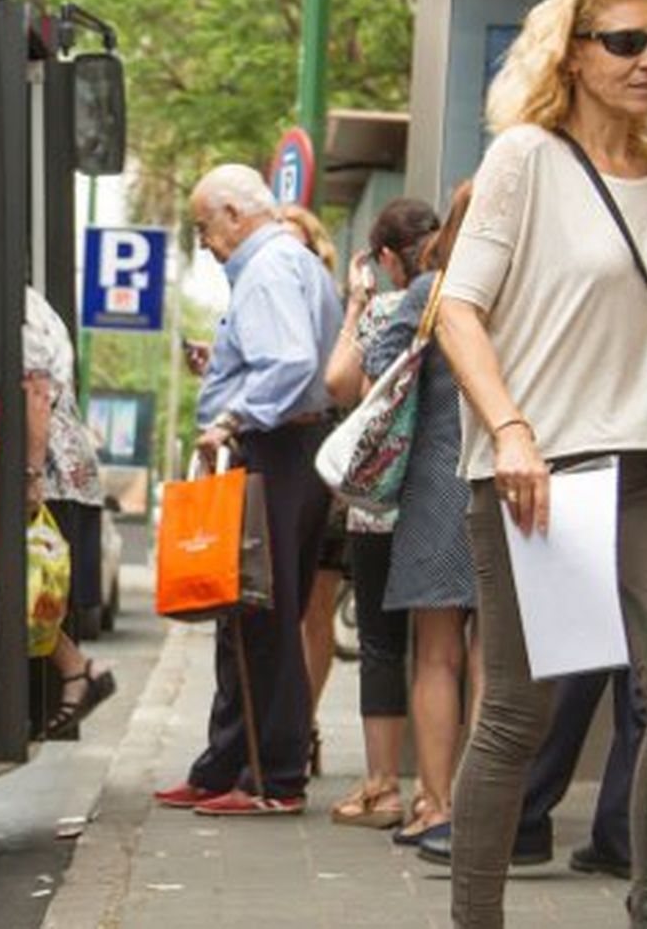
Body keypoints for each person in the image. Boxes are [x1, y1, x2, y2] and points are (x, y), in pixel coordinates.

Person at [436, 0, 647, 927]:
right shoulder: (525, 157)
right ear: (571, 54)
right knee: (519, 713)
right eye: (626, 42)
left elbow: (630, 299)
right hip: (537, 477)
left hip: (641, 467)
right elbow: (457, 311)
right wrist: (511, 430)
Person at [153, 164, 341, 815]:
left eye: (204, 226)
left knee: (264, 614)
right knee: (247, 613)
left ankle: (275, 777)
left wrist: (232, 416)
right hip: (294, 449)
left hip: (277, 450)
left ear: (234, 214)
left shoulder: (266, 268)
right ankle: (228, 763)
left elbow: (290, 361)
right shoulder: (293, 262)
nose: (204, 242)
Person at [365, 187, 482, 853]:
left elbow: (378, 376)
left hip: (438, 480)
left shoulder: (430, 292)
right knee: (493, 652)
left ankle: (436, 804)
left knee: (436, 653)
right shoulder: (525, 289)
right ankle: (483, 805)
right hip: (509, 476)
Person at [320, 197, 439, 829]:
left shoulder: (389, 309)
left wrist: (356, 305)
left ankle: (383, 785)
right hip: (442, 497)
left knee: (382, 645)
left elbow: (342, 384)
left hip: (381, 506)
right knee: (445, 649)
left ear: (389, 259)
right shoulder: (457, 301)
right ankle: (440, 792)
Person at [23, 284, 115, 738]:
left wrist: (31, 473)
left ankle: (77, 670)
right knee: (36, 590)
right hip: (68, 473)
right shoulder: (36, 303)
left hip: (53, 473)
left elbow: (37, 393)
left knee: (28, 585)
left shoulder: (16, 308)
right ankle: (75, 673)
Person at [281, 202, 344, 777]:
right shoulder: (265, 297)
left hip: (327, 456)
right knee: (284, 601)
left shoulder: (334, 302)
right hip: (282, 457)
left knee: (316, 603)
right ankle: (292, 725)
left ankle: (305, 723)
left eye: (296, 243)